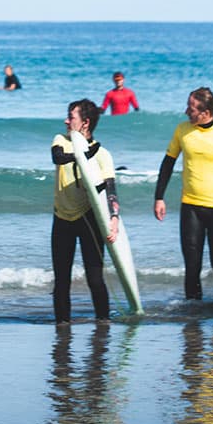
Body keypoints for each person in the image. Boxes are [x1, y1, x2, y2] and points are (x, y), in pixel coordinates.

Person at [154, 87, 213, 302]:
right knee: (192, 264)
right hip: (190, 207)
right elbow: (167, 164)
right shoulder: (182, 131)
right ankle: (192, 314)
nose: (186, 112)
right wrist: (159, 197)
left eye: (191, 108)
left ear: (205, 112)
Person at [51, 98, 119, 324]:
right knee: (61, 280)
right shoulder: (61, 140)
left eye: (71, 117)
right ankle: (62, 325)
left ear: (85, 123)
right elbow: (58, 158)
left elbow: (110, 189)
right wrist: (81, 157)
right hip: (62, 218)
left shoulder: (102, 154)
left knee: (95, 278)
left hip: (89, 217)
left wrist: (114, 218)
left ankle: (103, 322)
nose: (66, 121)